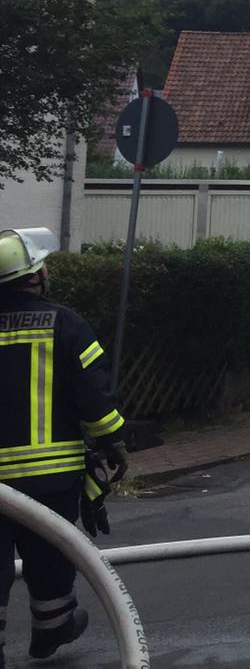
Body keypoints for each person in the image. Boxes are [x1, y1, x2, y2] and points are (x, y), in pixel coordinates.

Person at [0, 227, 128, 666]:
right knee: (51, 554)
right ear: (35, 278)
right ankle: (52, 626)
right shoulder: (66, 324)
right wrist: (112, 441)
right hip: (50, 479)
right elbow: (93, 394)